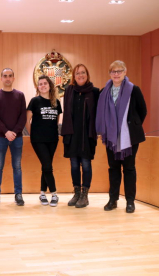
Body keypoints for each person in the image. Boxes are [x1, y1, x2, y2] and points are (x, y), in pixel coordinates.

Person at [96, 60, 147, 214]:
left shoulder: (134, 89)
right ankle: (113, 200)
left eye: (119, 71)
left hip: (129, 137)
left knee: (129, 168)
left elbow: (142, 110)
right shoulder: (104, 91)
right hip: (111, 138)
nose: (116, 74)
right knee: (113, 168)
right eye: (113, 71)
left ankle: (130, 201)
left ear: (125, 72)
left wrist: (131, 126)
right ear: (110, 74)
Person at [61, 64, 100, 208]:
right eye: (77, 73)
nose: (80, 75)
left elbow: (98, 114)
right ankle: (76, 192)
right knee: (74, 165)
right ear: (73, 76)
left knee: (86, 164)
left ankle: (85, 194)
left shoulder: (95, 92)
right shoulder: (69, 90)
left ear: (87, 74)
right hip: (72, 134)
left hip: (87, 135)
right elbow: (66, 114)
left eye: (83, 72)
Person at [0, 68, 27, 206]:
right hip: (0, 136)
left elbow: (23, 116)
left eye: (10, 76)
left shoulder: (20, 95)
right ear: (1, 78)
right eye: (5, 76)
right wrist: (6, 132)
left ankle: (18, 194)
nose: (7, 78)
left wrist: (14, 132)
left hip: (17, 137)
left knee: (17, 166)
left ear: (13, 78)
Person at [26, 75, 62, 207]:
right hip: (38, 140)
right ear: (38, 87)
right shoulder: (35, 101)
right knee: (47, 166)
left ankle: (42, 193)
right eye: (40, 84)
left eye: (45, 83)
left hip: (52, 139)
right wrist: (33, 135)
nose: (42, 86)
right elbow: (27, 120)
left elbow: (56, 120)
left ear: (49, 85)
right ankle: (54, 193)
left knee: (46, 166)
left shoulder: (56, 102)